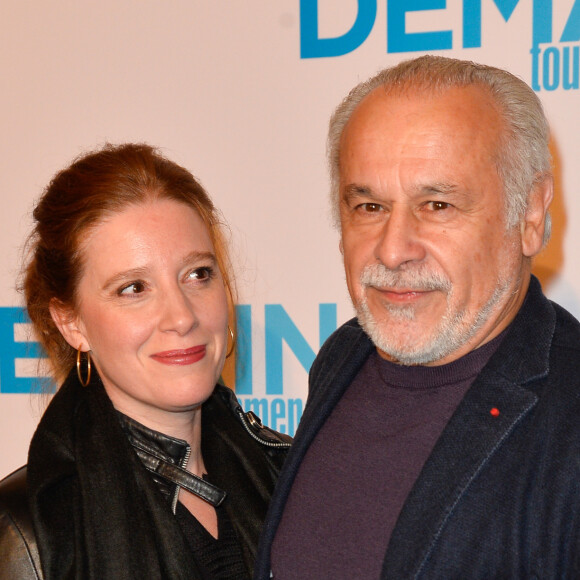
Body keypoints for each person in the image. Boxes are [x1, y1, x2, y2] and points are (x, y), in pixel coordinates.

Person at [254, 56, 580, 579]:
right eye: (370, 207)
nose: (392, 250)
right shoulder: (343, 356)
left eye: (437, 205)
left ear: (531, 213)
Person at [0, 143, 291, 580]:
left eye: (198, 274)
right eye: (133, 288)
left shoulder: (290, 477)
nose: (182, 316)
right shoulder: (26, 532)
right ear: (71, 322)